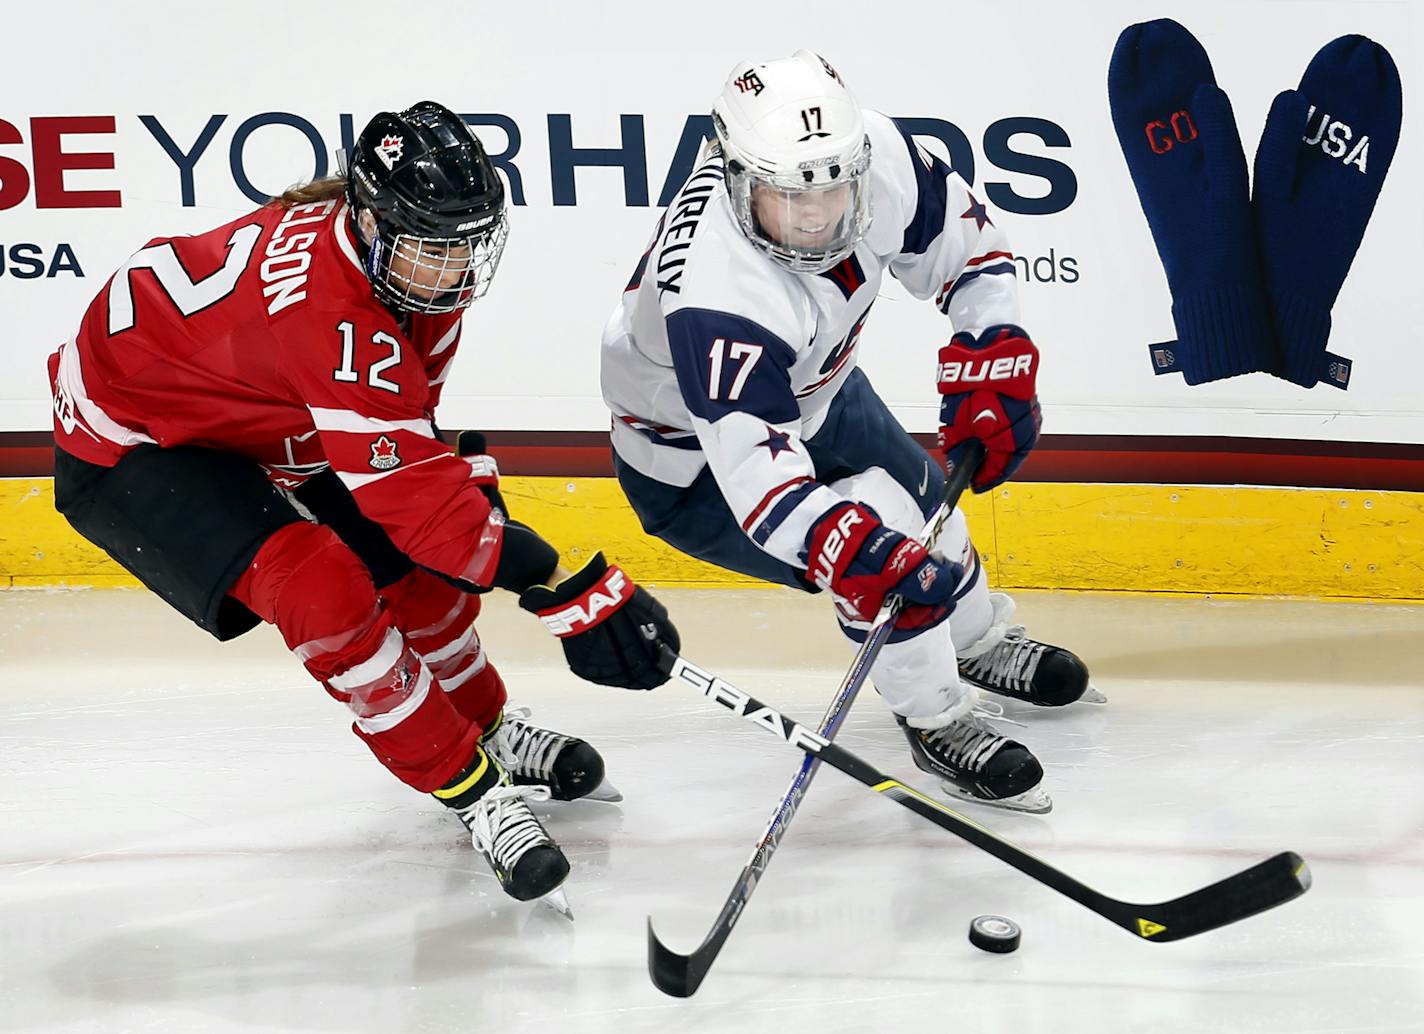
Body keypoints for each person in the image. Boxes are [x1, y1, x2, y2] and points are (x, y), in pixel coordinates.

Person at [47, 100, 680, 911]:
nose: (454, 267)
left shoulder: (410, 273)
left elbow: (409, 456)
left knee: (420, 577)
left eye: (466, 243)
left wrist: (480, 521)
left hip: (254, 411)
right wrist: (561, 580)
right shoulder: (327, 308)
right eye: (433, 246)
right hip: (133, 442)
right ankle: (472, 789)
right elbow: (418, 502)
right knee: (323, 590)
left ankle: (485, 721)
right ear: (372, 222)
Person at [601, 51, 1100, 814]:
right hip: (694, 469)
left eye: (833, 187)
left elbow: (969, 251)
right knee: (882, 538)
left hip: (821, 394)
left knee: (932, 508)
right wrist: (846, 547)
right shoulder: (717, 291)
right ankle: (935, 718)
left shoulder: (868, 151)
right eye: (786, 195)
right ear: (736, 175)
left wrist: (992, 347)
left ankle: (973, 639)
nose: (816, 213)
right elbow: (760, 484)